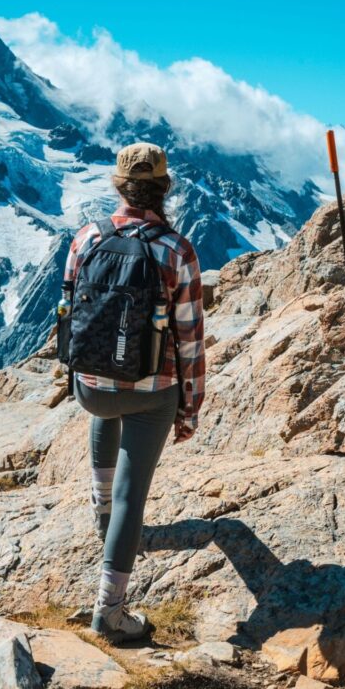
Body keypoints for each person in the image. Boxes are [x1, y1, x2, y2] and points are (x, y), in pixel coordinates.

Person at [63, 142, 206, 643]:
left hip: (90, 389)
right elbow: (189, 338)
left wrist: (78, 379)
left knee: (108, 392)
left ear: (119, 187)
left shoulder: (86, 237)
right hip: (151, 394)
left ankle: (103, 518)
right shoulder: (176, 250)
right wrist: (188, 408)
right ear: (164, 188)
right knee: (133, 494)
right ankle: (111, 610)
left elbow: (71, 316)